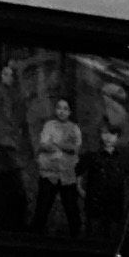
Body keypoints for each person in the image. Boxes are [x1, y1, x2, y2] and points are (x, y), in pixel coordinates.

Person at [30, 92, 86, 238]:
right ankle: (35, 238)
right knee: (42, 207)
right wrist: (60, 146)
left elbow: (75, 148)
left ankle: (76, 240)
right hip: (49, 172)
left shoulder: (75, 128)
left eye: (65, 109)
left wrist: (57, 144)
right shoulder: (49, 125)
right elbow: (44, 144)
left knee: (71, 208)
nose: (62, 111)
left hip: (67, 175)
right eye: (59, 108)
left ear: (70, 111)